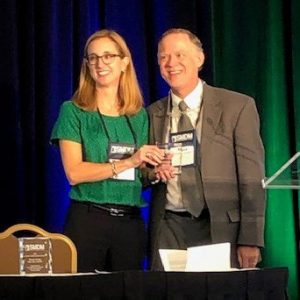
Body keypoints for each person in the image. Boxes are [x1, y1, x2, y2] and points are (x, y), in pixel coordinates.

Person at [146, 28, 266, 270]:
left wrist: (251, 238)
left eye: (180, 55)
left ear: (200, 59)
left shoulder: (237, 107)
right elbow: (142, 173)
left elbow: (252, 179)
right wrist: (152, 172)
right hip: (169, 228)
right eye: (163, 57)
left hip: (221, 228)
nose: (171, 63)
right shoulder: (151, 114)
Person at [50, 29, 164, 272]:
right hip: (89, 220)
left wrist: (155, 173)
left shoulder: (138, 115)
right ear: (87, 65)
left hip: (130, 223)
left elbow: (139, 175)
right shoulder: (73, 111)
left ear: (124, 62)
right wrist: (128, 162)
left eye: (108, 56)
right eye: (93, 58)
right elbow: (74, 173)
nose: (100, 63)